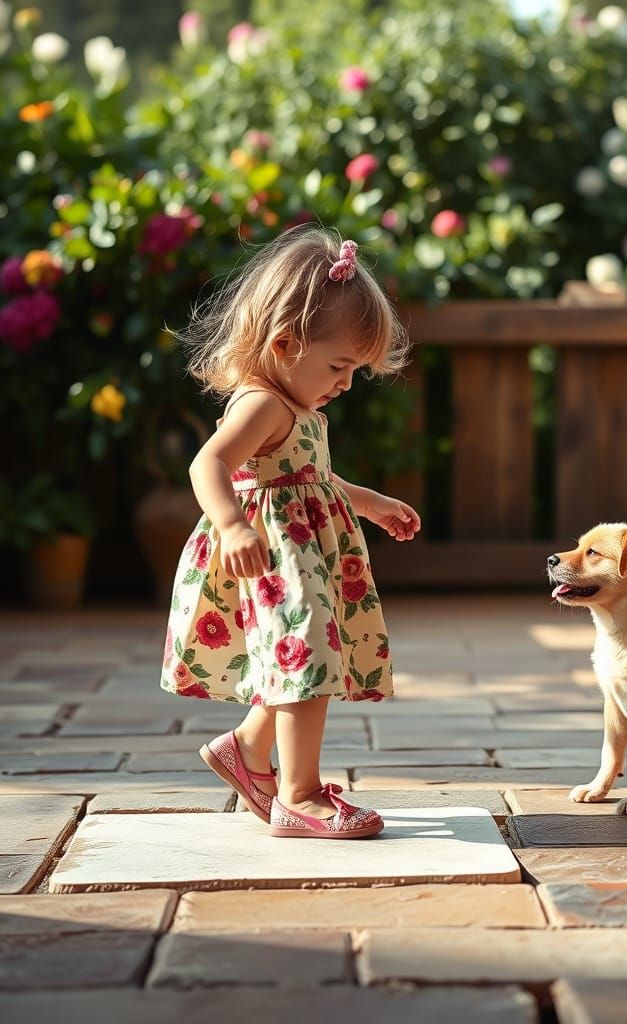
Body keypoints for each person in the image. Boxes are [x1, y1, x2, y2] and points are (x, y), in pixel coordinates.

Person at [160, 226, 420, 838]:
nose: (346, 382)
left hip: (302, 557)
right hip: (274, 561)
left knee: (302, 657)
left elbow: (315, 480)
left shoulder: (298, 408)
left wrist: (371, 503)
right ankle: (299, 796)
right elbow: (208, 464)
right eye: (338, 365)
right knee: (309, 656)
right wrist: (231, 526)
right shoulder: (263, 404)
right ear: (283, 343)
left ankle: (248, 750)